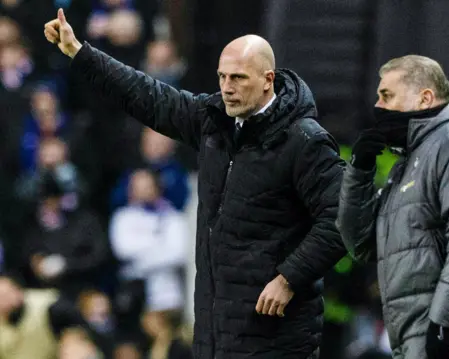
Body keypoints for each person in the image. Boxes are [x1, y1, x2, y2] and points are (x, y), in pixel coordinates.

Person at [44, 8, 346, 359]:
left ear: (268, 79)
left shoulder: (305, 141)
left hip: (277, 337)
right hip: (215, 331)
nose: (227, 89)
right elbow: (146, 95)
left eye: (238, 78)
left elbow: (341, 219)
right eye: (221, 77)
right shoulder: (213, 121)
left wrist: (288, 278)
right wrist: (80, 53)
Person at [337, 54, 449, 359]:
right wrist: (359, 171)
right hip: (420, 341)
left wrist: (440, 326)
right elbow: (361, 245)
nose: (378, 107)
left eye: (387, 96)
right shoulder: (408, 163)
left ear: (424, 98)